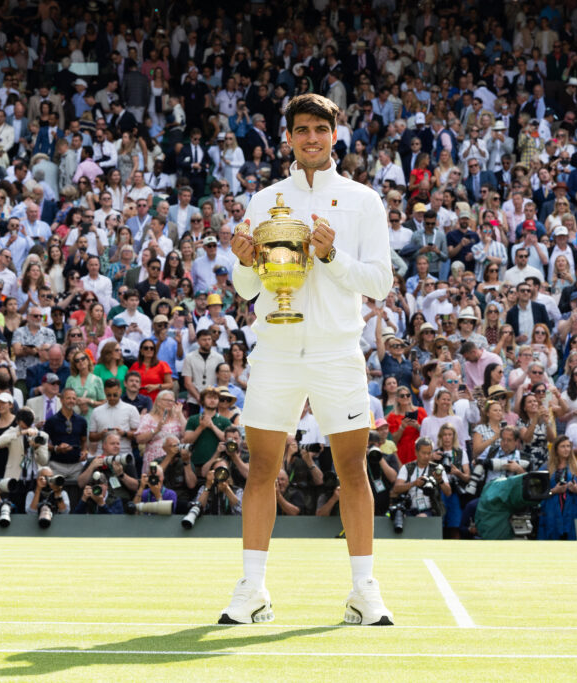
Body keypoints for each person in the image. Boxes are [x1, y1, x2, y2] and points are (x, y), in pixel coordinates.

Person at [222, 94, 393, 625]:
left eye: (320, 128)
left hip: (337, 350)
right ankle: (252, 589)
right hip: (274, 349)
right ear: (289, 138)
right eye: (302, 130)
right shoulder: (264, 199)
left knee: (353, 473)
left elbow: (380, 283)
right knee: (261, 473)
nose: (311, 138)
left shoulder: (363, 200)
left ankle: (364, 591)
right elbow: (247, 287)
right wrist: (245, 262)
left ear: (334, 135)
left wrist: (331, 255)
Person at [538, 435, 577, 540]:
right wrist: (554, 491)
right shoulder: (546, 468)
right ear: (556, 449)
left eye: (568, 446)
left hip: (572, 511)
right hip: (551, 513)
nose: (566, 449)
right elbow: (537, 493)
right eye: (563, 446)